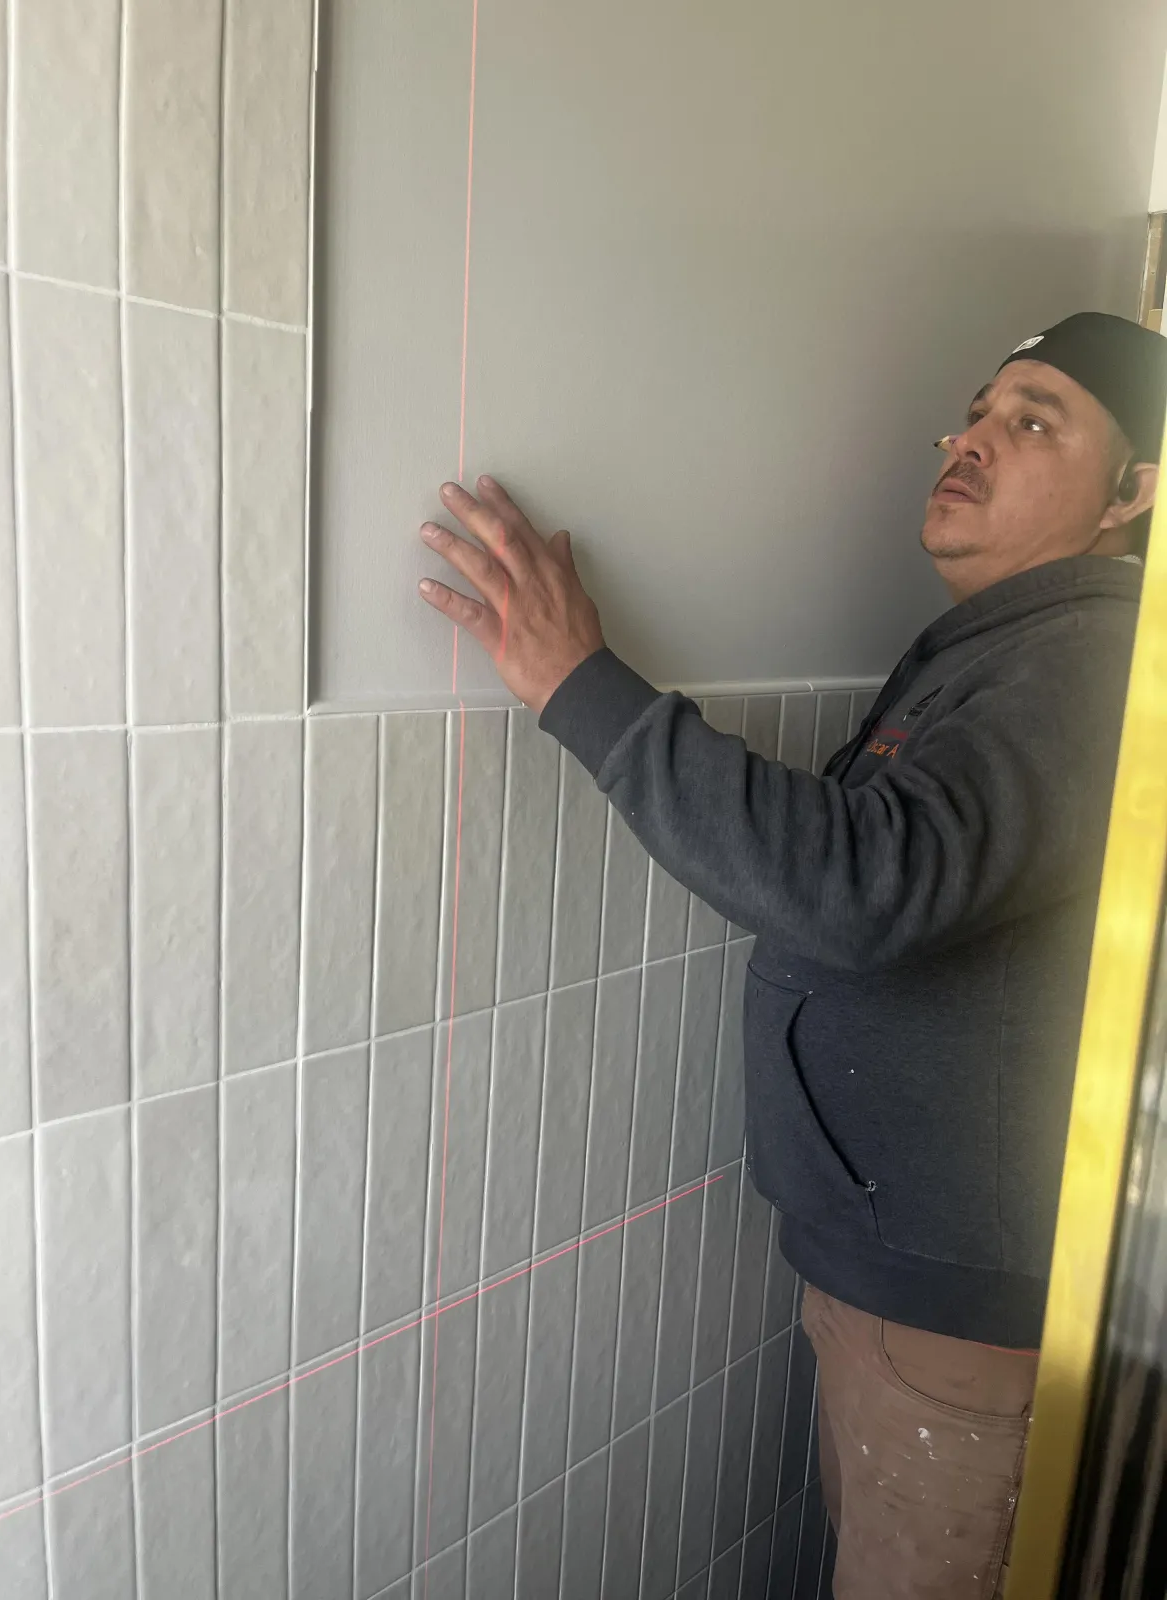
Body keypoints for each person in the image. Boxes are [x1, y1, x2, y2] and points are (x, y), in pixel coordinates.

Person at [416, 311, 1167, 1597]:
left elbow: (862, 883)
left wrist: (582, 685)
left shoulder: (1089, 662)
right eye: (975, 414)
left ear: (1132, 493)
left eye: (1033, 421)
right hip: (919, 1294)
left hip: (958, 1323)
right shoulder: (1013, 650)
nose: (973, 442)